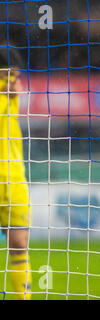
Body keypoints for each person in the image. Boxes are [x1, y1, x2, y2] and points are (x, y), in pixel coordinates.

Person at [0, 47, 32, 300]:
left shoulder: (11, 90)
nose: (15, 81)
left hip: (13, 178)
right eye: (11, 74)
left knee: (20, 245)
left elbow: (15, 88)